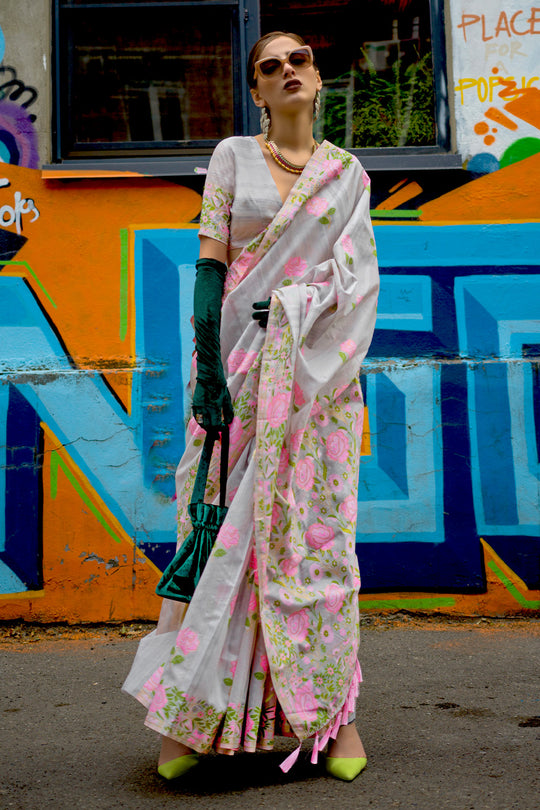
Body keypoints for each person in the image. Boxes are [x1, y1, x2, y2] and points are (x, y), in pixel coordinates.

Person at [123, 31, 379, 783]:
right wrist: (207, 375)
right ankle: (189, 723)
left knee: (312, 546)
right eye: (271, 66)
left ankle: (333, 720)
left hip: (315, 389)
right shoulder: (234, 158)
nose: (288, 71)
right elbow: (211, 267)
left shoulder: (348, 174)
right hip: (234, 378)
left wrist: (302, 306)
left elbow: (359, 283)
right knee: (217, 538)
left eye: (299, 59)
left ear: (318, 78)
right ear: (258, 93)